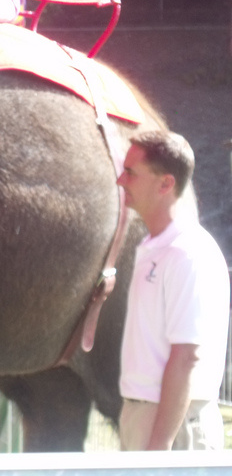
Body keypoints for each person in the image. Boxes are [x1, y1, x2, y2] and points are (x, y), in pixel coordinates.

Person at [116, 130, 230, 451]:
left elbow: (186, 357)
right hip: (149, 418)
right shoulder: (156, 247)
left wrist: (159, 447)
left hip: (172, 427)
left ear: (165, 184)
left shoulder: (186, 253)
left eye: (131, 173)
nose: (120, 181)